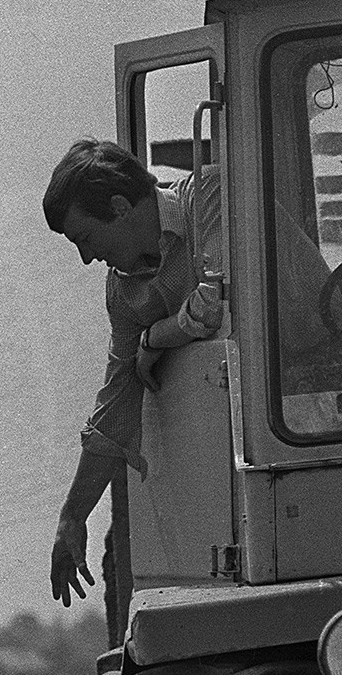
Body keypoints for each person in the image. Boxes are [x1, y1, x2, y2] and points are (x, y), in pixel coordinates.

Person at [42, 138, 223, 607]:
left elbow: (217, 308)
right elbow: (117, 405)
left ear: (120, 207)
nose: (86, 258)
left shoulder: (212, 197)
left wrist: (152, 339)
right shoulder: (123, 293)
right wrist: (72, 518)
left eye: (85, 239)